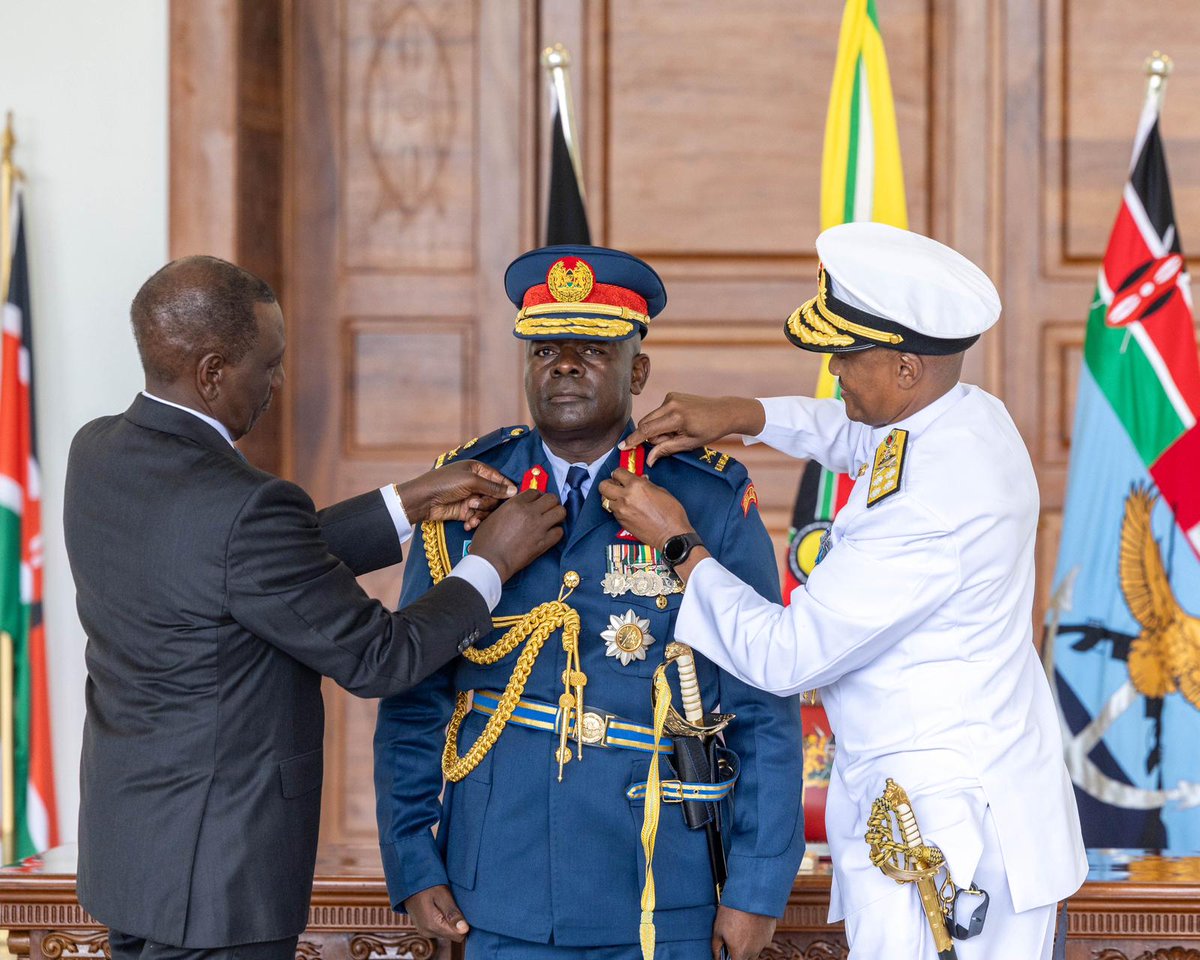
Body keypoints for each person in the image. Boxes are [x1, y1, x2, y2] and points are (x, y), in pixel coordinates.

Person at [599, 223, 1088, 959]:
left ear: (904, 367)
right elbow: (854, 434)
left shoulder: (929, 506)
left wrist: (678, 542)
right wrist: (743, 415)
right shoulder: (966, 418)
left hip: (940, 843)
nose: (832, 370)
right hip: (970, 800)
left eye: (847, 355)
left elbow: (786, 656)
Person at [63, 256, 566, 960]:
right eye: (267, 365)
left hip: (133, 861)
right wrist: (494, 559)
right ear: (212, 373)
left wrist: (404, 503)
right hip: (220, 882)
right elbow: (381, 657)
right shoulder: (242, 509)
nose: (278, 380)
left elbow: (228, 571)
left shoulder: (98, 453)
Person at [373, 245, 805, 960]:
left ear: (638, 370)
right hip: (498, 881)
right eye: (545, 348)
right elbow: (413, 692)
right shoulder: (465, 492)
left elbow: (763, 698)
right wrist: (413, 858)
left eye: (592, 349)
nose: (564, 365)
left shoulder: (707, 498)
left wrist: (758, 885)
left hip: (660, 885)